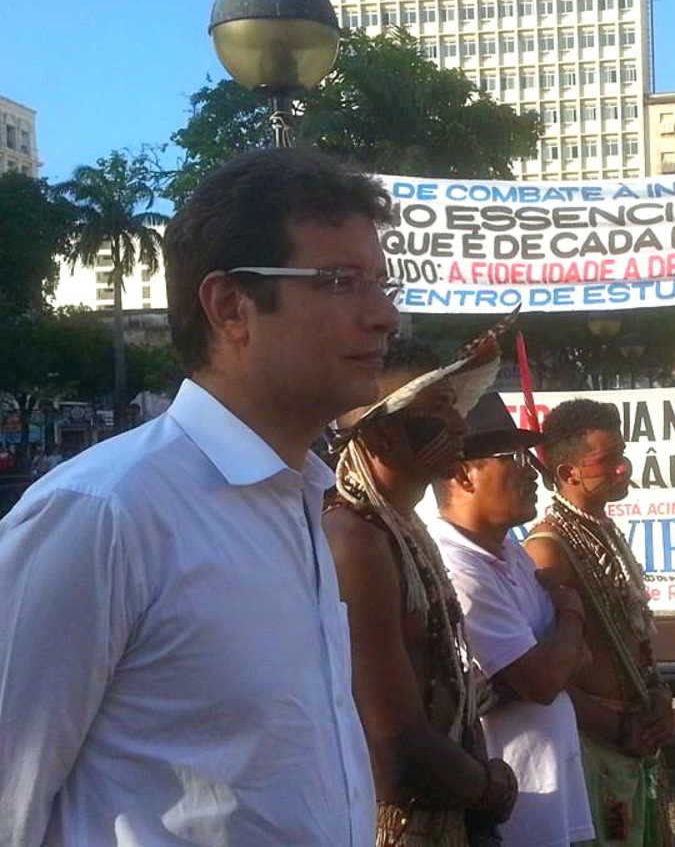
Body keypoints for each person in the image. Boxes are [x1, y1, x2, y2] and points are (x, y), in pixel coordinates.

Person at [0, 148, 399, 846]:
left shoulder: (302, 501)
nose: (385, 316)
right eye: (341, 281)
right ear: (230, 307)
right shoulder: (104, 514)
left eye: (382, 283)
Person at [325, 333, 518, 846]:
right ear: (383, 436)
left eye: (455, 406)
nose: (458, 425)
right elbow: (393, 749)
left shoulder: (398, 527)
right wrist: (488, 789)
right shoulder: (356, 539)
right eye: (438, 409)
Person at [430, 393, 595, 847]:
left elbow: (575, 662)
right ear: (463, 473)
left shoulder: (510, 556)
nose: (531, 471)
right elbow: (542, 680)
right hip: (507, 810)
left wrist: (560, 647)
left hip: (542, 801)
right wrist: (571, 611)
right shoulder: (457, 567)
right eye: (512, 457)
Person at [524, 399, 674, 846]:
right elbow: (538, 673)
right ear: (569, 474)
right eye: (607, 461)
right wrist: (612, 726)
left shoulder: (602, 530)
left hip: (634, 734)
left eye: (622, 455)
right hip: (594, 745)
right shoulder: (548, 549)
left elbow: (633, 637)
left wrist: (661, 693)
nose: (623, 469)